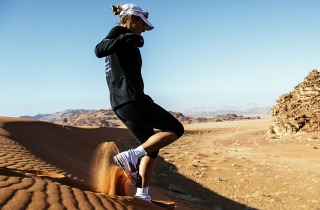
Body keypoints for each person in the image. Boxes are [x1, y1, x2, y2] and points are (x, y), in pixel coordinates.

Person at [94, 3, 184, 202]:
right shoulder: (117, 32)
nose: (144, 29)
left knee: (152, 147)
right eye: (142, 24)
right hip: (130, 100)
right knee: (176, 129)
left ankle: (143, 195)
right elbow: (98, 49)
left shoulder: (121, 40)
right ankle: (132, 155)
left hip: (122, 103)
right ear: (131, 19)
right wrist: (129, 36)